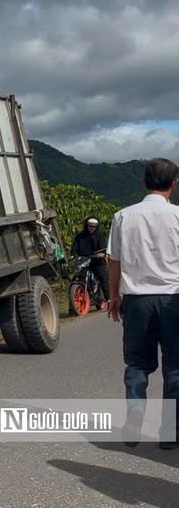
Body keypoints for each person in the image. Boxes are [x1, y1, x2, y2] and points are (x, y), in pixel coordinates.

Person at [107, 157, 179, 450]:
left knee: (137, 363)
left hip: (137, 301)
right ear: (174, 183)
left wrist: (114, 296)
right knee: (175, 368)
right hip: (173, 299)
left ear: (143, 181)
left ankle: (136, 409)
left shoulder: (123, 216)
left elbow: (114, 261)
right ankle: (171, 434)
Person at [70, 216, 109, 308]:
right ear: (86, 225)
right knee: (74, 280)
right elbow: (74, 249)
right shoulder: (79, 237)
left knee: (103, 279)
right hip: (83, 261)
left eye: (94, 226)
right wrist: (72, 255)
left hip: (97, 262)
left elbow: (103, 247)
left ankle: (109, 300)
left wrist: (101, 254)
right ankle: (72, 307)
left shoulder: (99, 236)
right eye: (90, 226)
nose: (92, 228)